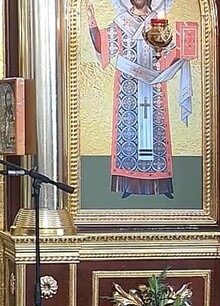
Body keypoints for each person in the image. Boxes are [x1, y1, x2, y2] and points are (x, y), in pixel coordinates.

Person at [87, 0, 197, 198]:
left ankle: (161, 185)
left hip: (154, 84)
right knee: (129, 133)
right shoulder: (121, 22)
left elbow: (168, 50)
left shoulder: (158, 22)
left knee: (157, 132)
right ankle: (129, 185)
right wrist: (92, 23)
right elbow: (103, 45)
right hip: (128, 87)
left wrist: (184, 50)